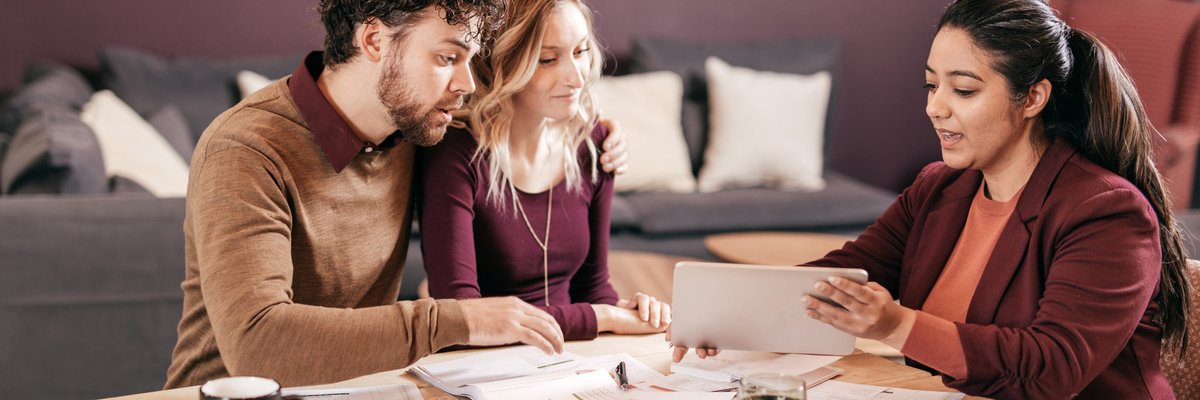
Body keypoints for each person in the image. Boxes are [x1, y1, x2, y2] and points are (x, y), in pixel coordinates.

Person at [674, 0, 1190, 398]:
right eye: (930, 85)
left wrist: (896, 325)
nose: (935, 108)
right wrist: (723, 317)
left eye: (963, 90)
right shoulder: (939, 187)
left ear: (1033, 97)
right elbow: (842, 279)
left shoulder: (1107, 212)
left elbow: (1051, 370)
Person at [164, 0, 631, 388]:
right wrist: (460, 320)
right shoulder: (246, 148)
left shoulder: (417, 128)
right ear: (373, 40)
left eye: (470, 60)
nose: (467, 85)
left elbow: (512, 117)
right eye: (447, 58)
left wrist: (596, 134)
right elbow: (258, 345)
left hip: (357, 389)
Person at [419, 0, 670, 342]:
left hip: (571, 353)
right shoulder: (455, 153)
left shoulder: (595, 144)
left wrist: (629, 311)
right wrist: (605, 317)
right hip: (487, 360)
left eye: (581, 51)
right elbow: (461, 317)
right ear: (503, 63)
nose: (576, 77)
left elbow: (593, 287)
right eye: (548, 59)